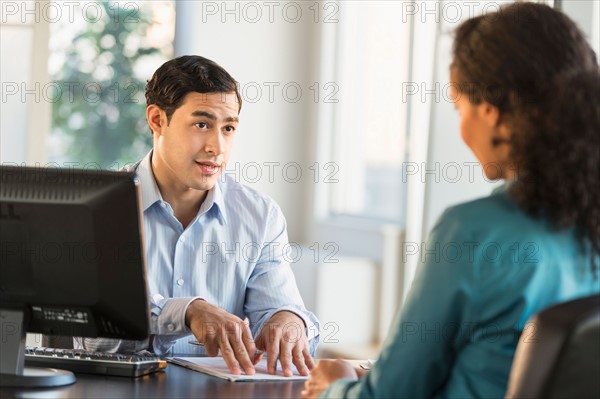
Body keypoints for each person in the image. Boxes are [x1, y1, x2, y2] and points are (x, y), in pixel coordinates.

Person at [302, 3, 599, 398]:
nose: (461, 128)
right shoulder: (586, 225)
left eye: (459, 107)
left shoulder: (473, 232)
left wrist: (333, 387)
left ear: (491, 112)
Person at [78, 55, 319, 377]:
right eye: (201, 124)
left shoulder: (260, 216)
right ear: (157, 120)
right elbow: (98, 342)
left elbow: (275, 310)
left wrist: (288, 321)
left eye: (228, 128)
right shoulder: (100, 206)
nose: (216, 147)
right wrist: (188, 312)